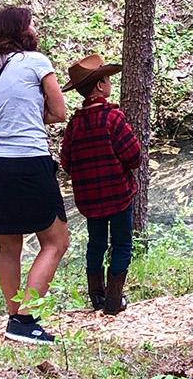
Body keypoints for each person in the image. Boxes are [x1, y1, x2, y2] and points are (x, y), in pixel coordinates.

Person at [0, 6, 70, 343]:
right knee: (57, 240)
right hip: (29, 160)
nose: (35, 28)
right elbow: (59, 112)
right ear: (20, 30)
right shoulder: (36, 62)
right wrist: (34, 113)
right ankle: (27, 316)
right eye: (30, 23)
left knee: (9, 245)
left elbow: (1, 113)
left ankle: (14, 316)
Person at [57, 55, 142, 317]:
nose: (109, 84)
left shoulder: (74, 123)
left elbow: (67, 161)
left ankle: (96, 296)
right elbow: (134, 155)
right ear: (100, 86)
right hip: (118, 194)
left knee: (96, 244)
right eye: (107, 79)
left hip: (90, 199)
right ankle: (114, 300)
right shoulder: (113, 118)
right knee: (122, 244)